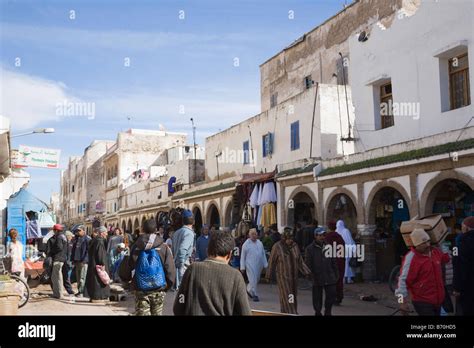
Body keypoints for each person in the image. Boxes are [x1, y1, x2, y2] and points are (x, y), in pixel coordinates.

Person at [173, 230, 252, 315]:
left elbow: (179, 305)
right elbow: (245, 312)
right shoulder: (236, 276)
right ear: (230, 254)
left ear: (207, 251)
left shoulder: (193, 270)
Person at [126, 219, 175, 316]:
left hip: (141, 288)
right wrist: (167, 286)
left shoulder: (136, 246)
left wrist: (130, 283)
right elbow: (170, 269)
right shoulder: (164, 247)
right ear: (156, 230)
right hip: (159, 288)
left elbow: (128, 266)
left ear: (143, 230)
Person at [396, 228, 450, 316]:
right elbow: (402, 281)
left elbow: (446, 259)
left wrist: (442, 245)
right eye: (423, 243)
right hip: (422, 301)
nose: (427, 244)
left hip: (438, 300)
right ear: (416, 245)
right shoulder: (411, 258)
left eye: (428, 241)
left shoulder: (435, 251)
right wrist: (401, 303)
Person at [265, 227, 311, 314]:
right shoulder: (277, 247)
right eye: (288, 239)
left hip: (294, 277)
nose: (290, 240)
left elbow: (300, 261)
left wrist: (307, 272)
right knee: (287, 296)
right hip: (283, 277)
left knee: (292, 297)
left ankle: (285, 312)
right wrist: (268, 275)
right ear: (284, 238)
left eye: (291, 238)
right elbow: (271, 261)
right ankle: (292, 313)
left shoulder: (295, 246)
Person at [305, 227, 339, 316]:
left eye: (323, 235)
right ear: (315, 236)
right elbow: (308, 264)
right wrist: (310, 276)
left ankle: (328, 311)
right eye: (320, 235)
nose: (322, 237)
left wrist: (336, 274)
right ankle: (318, 312)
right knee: (317, 297)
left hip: (329, 275)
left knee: (331, 295)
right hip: (317, 276)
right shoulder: (310, 249)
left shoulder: (329, 247)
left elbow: (334, 261)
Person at [453, 217, 474, 316]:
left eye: (462, 227)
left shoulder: (458, 245)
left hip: (466, 285)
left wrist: (456, 288)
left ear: (466, 228)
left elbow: (457, 266)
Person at [240, 228, 268, 302]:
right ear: (249, 235)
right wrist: (242, 267)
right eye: (252, 234)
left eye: (255, 234)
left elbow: (263, 254)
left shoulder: (260, 243)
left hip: (259, 265)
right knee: (253, 279)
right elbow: (242, 256)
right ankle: (255, 295)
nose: (254, 236)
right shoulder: (246, 244)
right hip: (250, 265)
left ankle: (249, 289)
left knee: (256, 279)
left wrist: (266, 265)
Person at [86, 226, 110, 303]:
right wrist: (102, 263)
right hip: (98, 265)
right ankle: (100, 297)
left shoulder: (94, 240)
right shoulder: (100, 241)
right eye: (105, 232)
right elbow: (100, 254)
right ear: (102, 233)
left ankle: (94, 296)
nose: (106, 234)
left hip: (93, 264)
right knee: (100, 280)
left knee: (94, 281)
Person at [172, 209, 195, 290]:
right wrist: (181, 265)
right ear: (193, 221)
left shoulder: (176, 233)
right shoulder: (189, 233)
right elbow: (183, 249)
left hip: (175, 265)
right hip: (183, 266)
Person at [325, 220, 345, 305]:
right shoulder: (339, 237)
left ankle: (332, 298)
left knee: (331, 281)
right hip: (340, 261)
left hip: (331, 262)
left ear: (329, 228)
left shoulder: (327, 237)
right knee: (339, 280)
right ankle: (339, 297)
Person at [47, 224, 67, 299]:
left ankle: (59, 294)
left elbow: (59, 247)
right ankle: (56, 293)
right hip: (62, 258)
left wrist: (51, 252)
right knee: (54, 277)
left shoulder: (59, 237)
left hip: (58, 259)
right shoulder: (63, 237)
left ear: (56, 230)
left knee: (57, 277)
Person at [71, 225, 91, 297]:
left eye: (79, 231)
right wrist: (73, 259)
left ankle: (82, 292)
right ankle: (79, 291)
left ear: (83, 231)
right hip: (77, 261)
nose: (78, 232)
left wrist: (85, 260)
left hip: (83, 261)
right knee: (78, 277)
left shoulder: (87, 239)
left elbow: (88, 251)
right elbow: (74, 250)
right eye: (77, 231)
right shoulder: (77, 239)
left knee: (82, 277)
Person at [62, 231, 75, 295]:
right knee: (67, 277)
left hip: (69, 262)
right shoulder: (66, 244)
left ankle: (69, 289)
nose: (71, 237)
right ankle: (69, 290)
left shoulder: (70, 243)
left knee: (67, 276)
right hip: (67, 262)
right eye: (70, 236)